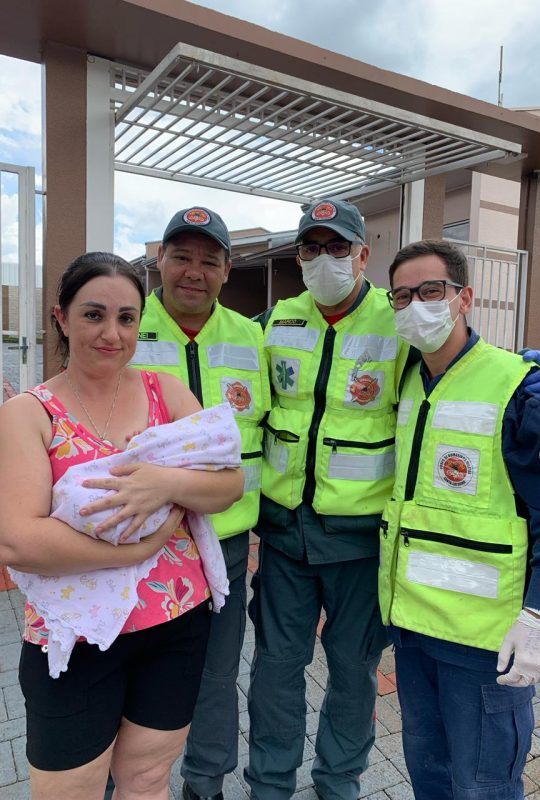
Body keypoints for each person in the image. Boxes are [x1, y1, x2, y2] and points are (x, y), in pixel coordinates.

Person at [245, 199, 540, 800]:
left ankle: (337, 785)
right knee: (274, 672)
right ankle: (268, 785)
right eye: (311, 249)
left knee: (352, 676)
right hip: (286, 535)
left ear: (362, 255)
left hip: (362, 543)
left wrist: (539, 367)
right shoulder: (272, 323)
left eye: (338, 247)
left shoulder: (395, 321)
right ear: (298, 258)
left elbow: (464, 362)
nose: (324, 260)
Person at [0, 252, 244, 800]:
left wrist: (162, 484)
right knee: (70, 790)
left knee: (149, 779)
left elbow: (229, 485)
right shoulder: (29, 414)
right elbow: (16, 537)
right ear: (61, 317)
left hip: (175, 624)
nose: (112, 333)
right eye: (94, 315)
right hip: (76, 634)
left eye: (127, 318)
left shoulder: (167, 392)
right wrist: (137, 550)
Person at [379, 239, 540, 800]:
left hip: (485, 640)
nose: (415, 305)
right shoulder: (404, 381)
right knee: (429, 775)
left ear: (463, 298)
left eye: (431, 291)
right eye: (402, 296)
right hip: (414, 630)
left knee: (484, 787)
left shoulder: (517, 389)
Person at [128, 207, 270, 800]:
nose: (194, 271)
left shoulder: (251, 336)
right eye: (181, 257)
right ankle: (125, 781)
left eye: (209, 260)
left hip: (227, 544)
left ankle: (205, 783)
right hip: (139, 545)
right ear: (159, 259)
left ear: (228, 270)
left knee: (216, 675)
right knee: (129, 672)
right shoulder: (126, 327)